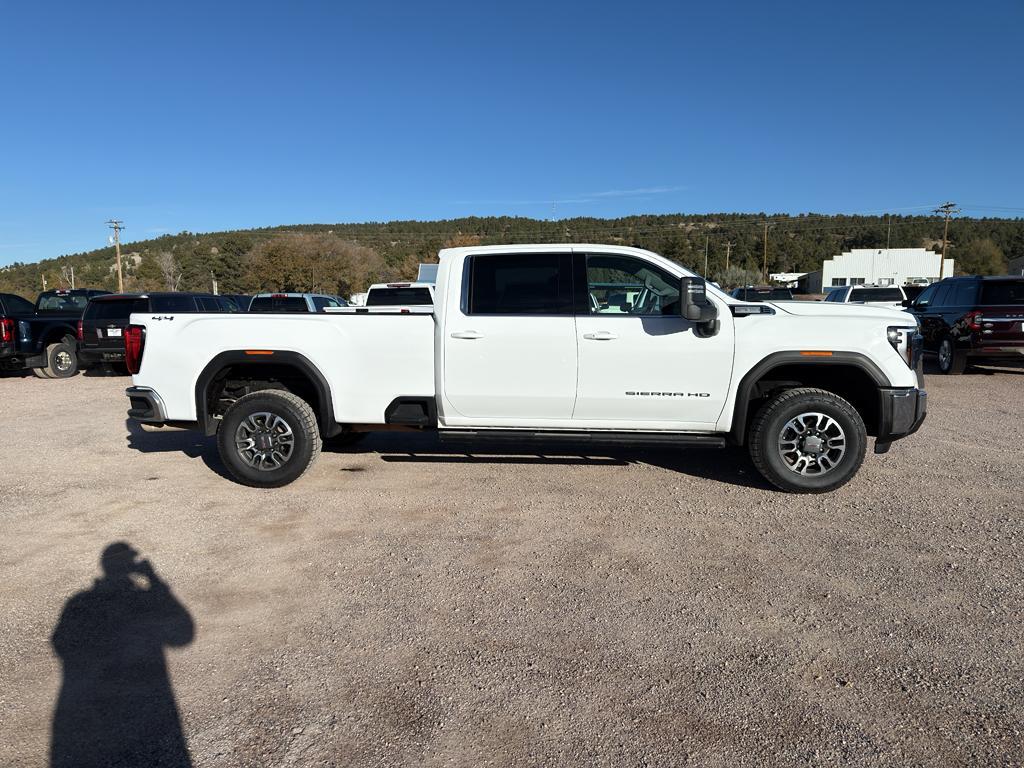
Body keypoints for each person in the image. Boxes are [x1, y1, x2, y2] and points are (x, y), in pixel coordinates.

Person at [50, 542, 194, 768]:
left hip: (91, 710)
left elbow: (60, 644)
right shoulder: (141, 599)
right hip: (142, 704)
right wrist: (154, 579)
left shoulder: (78, 603)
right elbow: (182, 635)